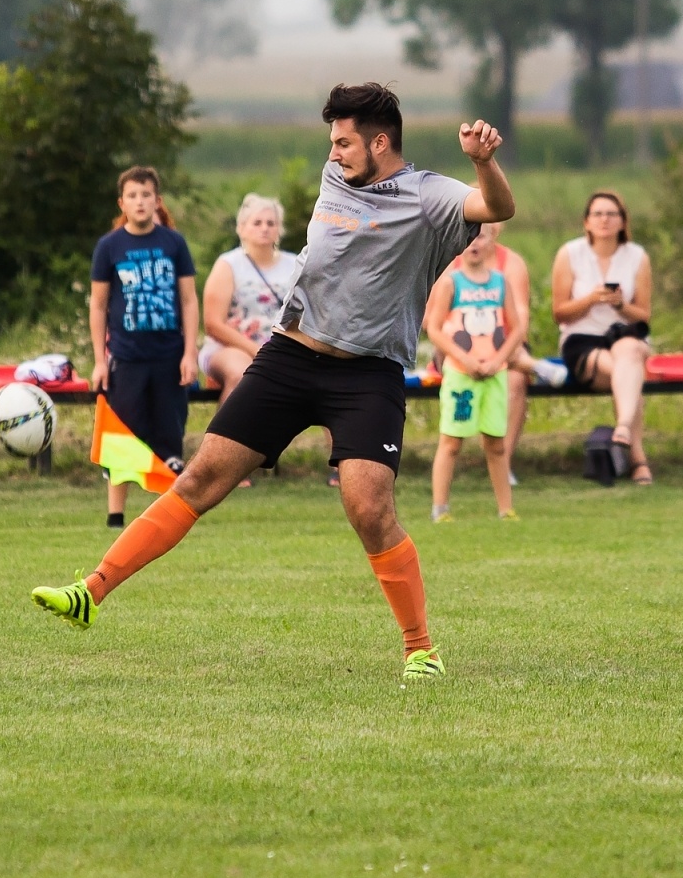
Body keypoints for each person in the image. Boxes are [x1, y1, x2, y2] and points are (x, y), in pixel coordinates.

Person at [33, 83, 515, 681]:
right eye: (332, 142)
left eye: (344, 141)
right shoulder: (336, 176)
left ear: (380, 141)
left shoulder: (429, 196)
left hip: (368, 373)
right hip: (290, 355)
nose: (334, 152)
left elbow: (497, 209)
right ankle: (92, 591)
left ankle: (420, 648)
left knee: (369, 507)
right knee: (202, 479)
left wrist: (483, 162)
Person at [89, 167, 200, 528]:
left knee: (170, 435)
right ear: (122, 203)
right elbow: (99, 306)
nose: (140, 202)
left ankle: (170, 516)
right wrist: (99, 361)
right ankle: (115, 515)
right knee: (123, 438)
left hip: (168, 357)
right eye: (133, 196)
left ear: (157, 201)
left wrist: (189, 353)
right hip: (126, 358)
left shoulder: (173, 243)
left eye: (146, 195)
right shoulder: (110, 247)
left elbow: (188, 300)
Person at [551, 192, 654, 484]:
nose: (605, 220)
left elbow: (644, 315)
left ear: (622, 221)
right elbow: (560, 313)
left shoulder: (637, 256)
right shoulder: (570, 253)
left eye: (612, 214)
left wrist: (620, 304)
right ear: (586, 221)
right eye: (598, 214)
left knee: (631, 353)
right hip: (582, 339)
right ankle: (638, 460)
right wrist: (591, 299)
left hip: (624, 337)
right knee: (629, 373)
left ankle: (622, 429)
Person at [425, 229, 521, 522]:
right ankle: (440, 509)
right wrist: (465, 360)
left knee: (496, 442)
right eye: (469, 238)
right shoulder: (450, 283)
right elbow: (434, 329)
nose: (474, 244)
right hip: (460, 376)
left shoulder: (500, 282)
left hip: (495, 374)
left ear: (492, 240)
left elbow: (516, 328)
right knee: (451, 441)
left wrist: (498, 360)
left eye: (480, 237)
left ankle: (506, 509)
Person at [199, 194, 298, 402]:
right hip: (232, 346)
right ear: (242, 228)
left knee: (326, 381)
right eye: (257, 223)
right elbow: (213, 324)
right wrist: (257, 350)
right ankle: (225, 433)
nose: (265, 228)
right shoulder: (229, 265)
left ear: (279, 229)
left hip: (282, 347)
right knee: (241, 374)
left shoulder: (295, 265)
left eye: (271, 223)